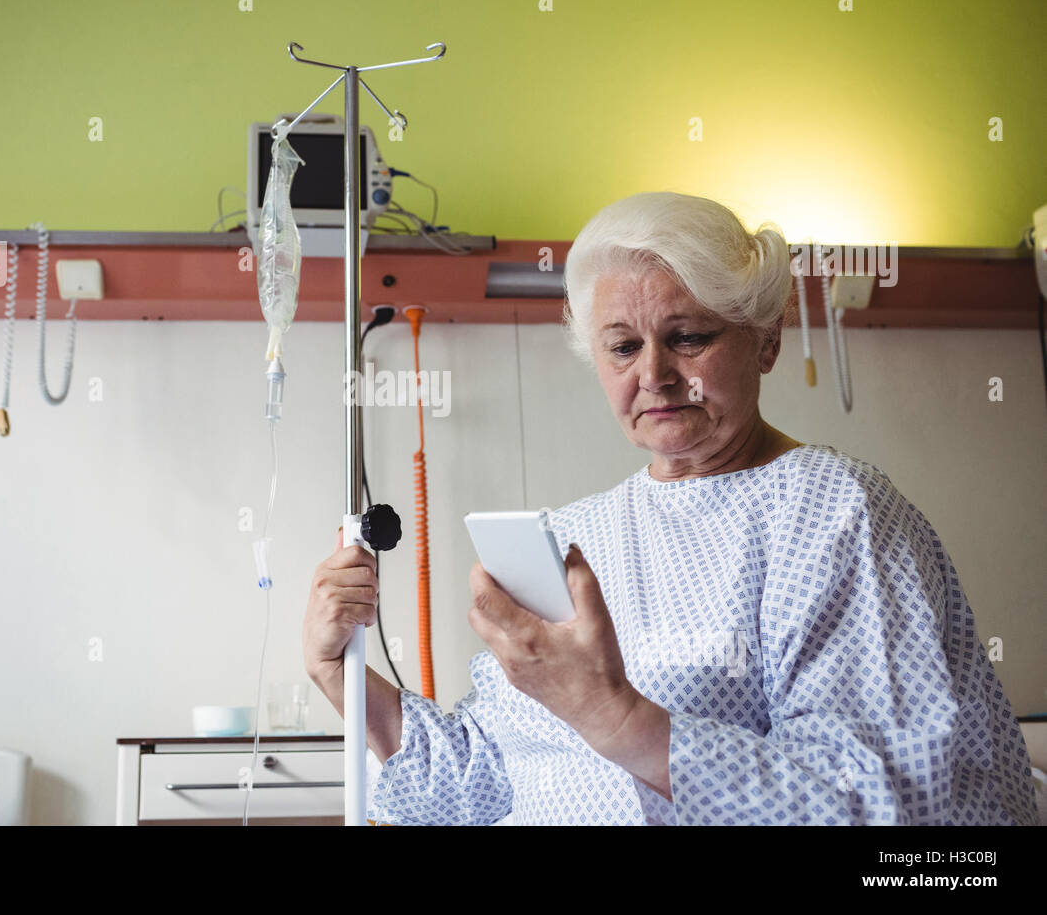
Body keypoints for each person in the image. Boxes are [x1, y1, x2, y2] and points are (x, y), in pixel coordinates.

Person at [301, 192, 1038, 825]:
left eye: (688, 337)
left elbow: (870, 806)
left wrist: (613, 716)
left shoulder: (831, 512)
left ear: (766, 340)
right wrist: (340, 671)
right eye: (622, 348)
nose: (654, 375)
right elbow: (479, 780)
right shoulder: (575, 535)